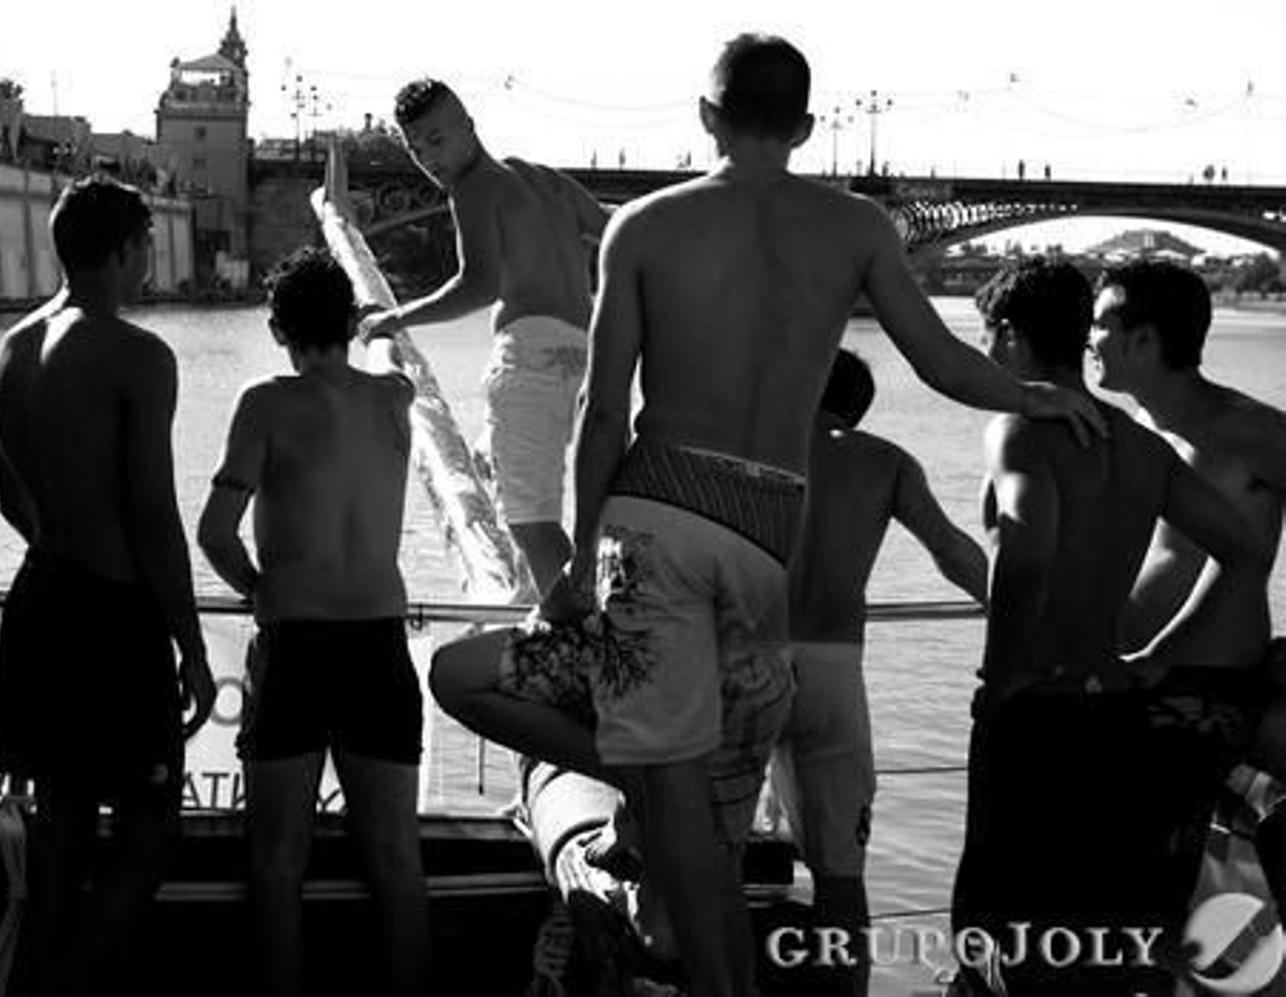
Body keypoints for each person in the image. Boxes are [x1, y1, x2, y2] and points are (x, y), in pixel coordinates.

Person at [430, 34, 1103, 997]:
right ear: (808, 128)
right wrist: (1037, 399)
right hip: (764, 534)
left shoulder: (647, 227)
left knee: (672, 797)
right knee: (692, 802)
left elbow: (601, 410)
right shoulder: (858, 228)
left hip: (656, 516)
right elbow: (937, 359)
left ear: (706, 117)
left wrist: (580, 557)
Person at [951, 258, 1266, 995]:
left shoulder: (1021, 427)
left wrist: (1000, 678)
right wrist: (1154, 658)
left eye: (986, 337)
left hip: (1035, 707)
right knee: (1098, 930)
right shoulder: (1139, 443)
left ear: (1010, 336)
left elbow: (1028, 544)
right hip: (1114, 703)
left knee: (996, 923)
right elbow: (1245, 550)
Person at [0, 176, 217, 995]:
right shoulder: (136, 353)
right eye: (147, 244)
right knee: (150, 829)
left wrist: (64, 554)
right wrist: (190, 644)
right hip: (112, 616)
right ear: (127, 250)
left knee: (61, 825)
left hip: (41, 595)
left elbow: (13, 499)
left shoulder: (15, 346)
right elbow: (155, 514)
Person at [197, 247, 428, 997]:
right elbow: (392, 356)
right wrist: (376, 325)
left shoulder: (265, 403)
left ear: (275, 330)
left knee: (275, 863)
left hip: (296, 643)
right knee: (396, 859)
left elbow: (215, 533)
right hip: (379, 642)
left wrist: (258, 590)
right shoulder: (395, 399)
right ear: (349, 322)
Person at [772, 347, 988, 997]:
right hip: (835, 670)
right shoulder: (886, 461)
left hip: (746, 656)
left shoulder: (756, 444)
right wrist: (1015, 617)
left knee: (714, 851)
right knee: (841, 877)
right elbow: (953, 551)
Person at [1089, 259, 1286, 925]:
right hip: (1130, 682)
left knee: (1171, 905)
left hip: (1206, 690)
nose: (1090, 341)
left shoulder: (1250, 429)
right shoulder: (1132, 434)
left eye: (1100, 324)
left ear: (1144, 339)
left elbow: (1240, 558)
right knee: (1117, 896)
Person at [359, 77, 610, 598]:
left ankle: (578, 639)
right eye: (416, 147)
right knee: (487, 462)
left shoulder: (474, 189)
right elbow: (614, 236)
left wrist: (395, 319)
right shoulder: (541, 179)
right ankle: (528, 591)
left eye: (438, 138)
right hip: (583, 358)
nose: (430, 157)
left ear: (468, 127)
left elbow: (480, 285)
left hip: (529, 361)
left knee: (531, 521)